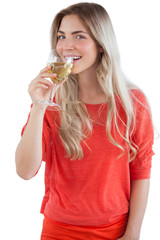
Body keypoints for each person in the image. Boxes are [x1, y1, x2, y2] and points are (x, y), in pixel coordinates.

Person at [15, 2, 154, 240]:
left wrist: (133, 233)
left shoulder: (133, 103)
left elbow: (141, 171)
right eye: (61, 36)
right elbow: (25, 171)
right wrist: (39, 108)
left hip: (116, 230)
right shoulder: (52, 101)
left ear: (101, 44)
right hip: (59, 230)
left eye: (79, 36)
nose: (66, 46)